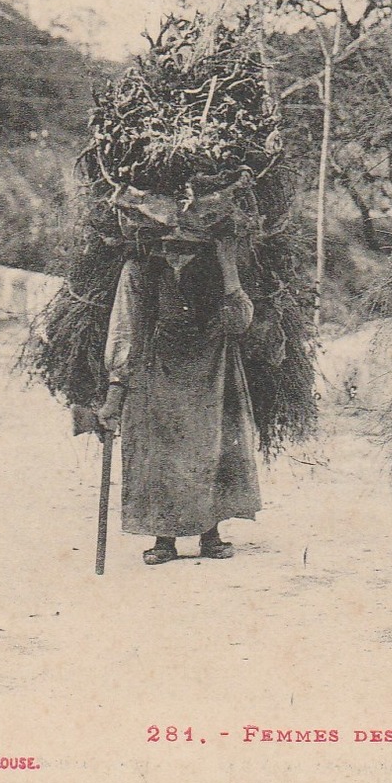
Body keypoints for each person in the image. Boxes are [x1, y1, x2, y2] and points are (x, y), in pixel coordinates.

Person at [97, 228, 261, 566]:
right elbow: (126, 326)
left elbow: (239, 322)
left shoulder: (219, 262)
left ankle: (210, 534)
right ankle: (163, 538)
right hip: (159, 366)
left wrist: (229, 269)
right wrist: (117, 389)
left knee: (210, 444)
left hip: (213, 366)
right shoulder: (140, 267)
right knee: (161, 449)